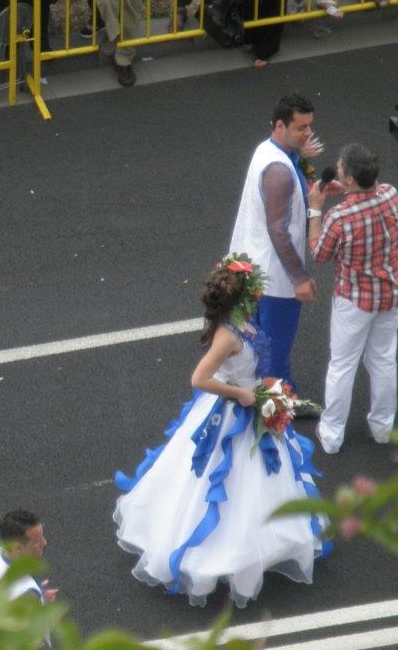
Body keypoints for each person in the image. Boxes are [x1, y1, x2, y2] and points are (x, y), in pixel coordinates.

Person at [114, 255, 330, 607]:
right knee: (225, 481)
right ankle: (225, 552)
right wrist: (241, 393)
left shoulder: (241, 322)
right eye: (256, 289)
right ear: (245, 296)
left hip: (255, 400)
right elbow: (199, 378)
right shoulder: (227, 336)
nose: (260, 293)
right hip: (232, 413)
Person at [308, 143, 398, 454]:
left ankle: (332, 435)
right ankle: (383, 428)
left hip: (354, 301)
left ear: (349, 179)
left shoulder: (339, 217)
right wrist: (347, 190)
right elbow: (374, 196)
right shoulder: (391, 195)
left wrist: (315, 209)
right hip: (390, 295)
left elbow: (319, 253)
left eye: (340, 168)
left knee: (343, 366)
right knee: (383, 359)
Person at [229, 93, 318, 397]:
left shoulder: (266, 150)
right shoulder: (279, 171)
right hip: (276, 281)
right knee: (275, 355)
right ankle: (278, 407)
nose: (308, 133)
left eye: (309, 126)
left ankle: (261, 399)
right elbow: (278, 230)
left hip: (252, 269)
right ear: (280, 126)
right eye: (301, 128)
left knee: (254, 348)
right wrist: (300, 278)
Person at [0, 509, 60, 604]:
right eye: (36, 542)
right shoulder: (28, 592)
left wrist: (41, 598)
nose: (44, 543)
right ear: (17, 548)